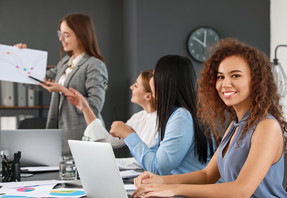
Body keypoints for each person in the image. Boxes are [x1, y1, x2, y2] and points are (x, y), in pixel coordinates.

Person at [131, 39, 287, 198]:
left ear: (256, 80)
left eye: (235, 75)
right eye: (220, 77)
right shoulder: (236, 124)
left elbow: (241, 191)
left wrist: (172, 189)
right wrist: (160, 180)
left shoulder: (266, 126)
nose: (225, 84)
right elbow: (206, 175)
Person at [15, 13, 108, 156]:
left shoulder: (94, 65)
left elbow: (94, 107)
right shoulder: (65, 62)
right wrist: (21, 58)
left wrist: (63, 90)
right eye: (60, 34)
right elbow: (38, 82)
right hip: (59, 139)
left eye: (66, 35)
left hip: (83, 139)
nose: (60, 39)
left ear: (81, 35)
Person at [109, 55, 214, 175]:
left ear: (166, 80)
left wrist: (128, 134)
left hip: (192, 192)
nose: (151, 78)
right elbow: (153, 158)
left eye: (154, 74)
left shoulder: (181, 117)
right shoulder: (173, 115)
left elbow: (157, 167)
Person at [66, 70, 157, 168]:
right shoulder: (138, 118)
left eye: (136, 85)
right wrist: (85, 108)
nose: (131, 87)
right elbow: (107, 141)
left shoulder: (161, 122)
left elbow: (143, 162)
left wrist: (107, 163)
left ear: (148, 96)